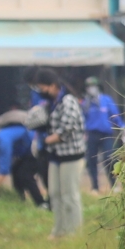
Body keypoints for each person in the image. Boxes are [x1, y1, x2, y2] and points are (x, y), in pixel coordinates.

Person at [32, 69, 85, 238]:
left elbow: (65, 131)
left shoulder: (68, 101)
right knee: (54, 193)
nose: (42, 92)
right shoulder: (51, 103)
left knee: (70, 195)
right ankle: (59, 230)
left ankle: (74, 232)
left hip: (71, 156)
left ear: (54, 86)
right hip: (55, 156)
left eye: (43, 87)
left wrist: (45, 140)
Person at [83, 76, 121, 194]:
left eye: (93, 86)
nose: (91, 89)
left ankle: (113, 184)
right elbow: (83, 119)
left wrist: (122, 127)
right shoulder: (86, 103)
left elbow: (115, 116)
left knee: (109, 159)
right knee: (91, 161)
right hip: (92, 134)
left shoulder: (106, 100)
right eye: (89, 87)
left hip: (106, 134)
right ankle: (95, 187)